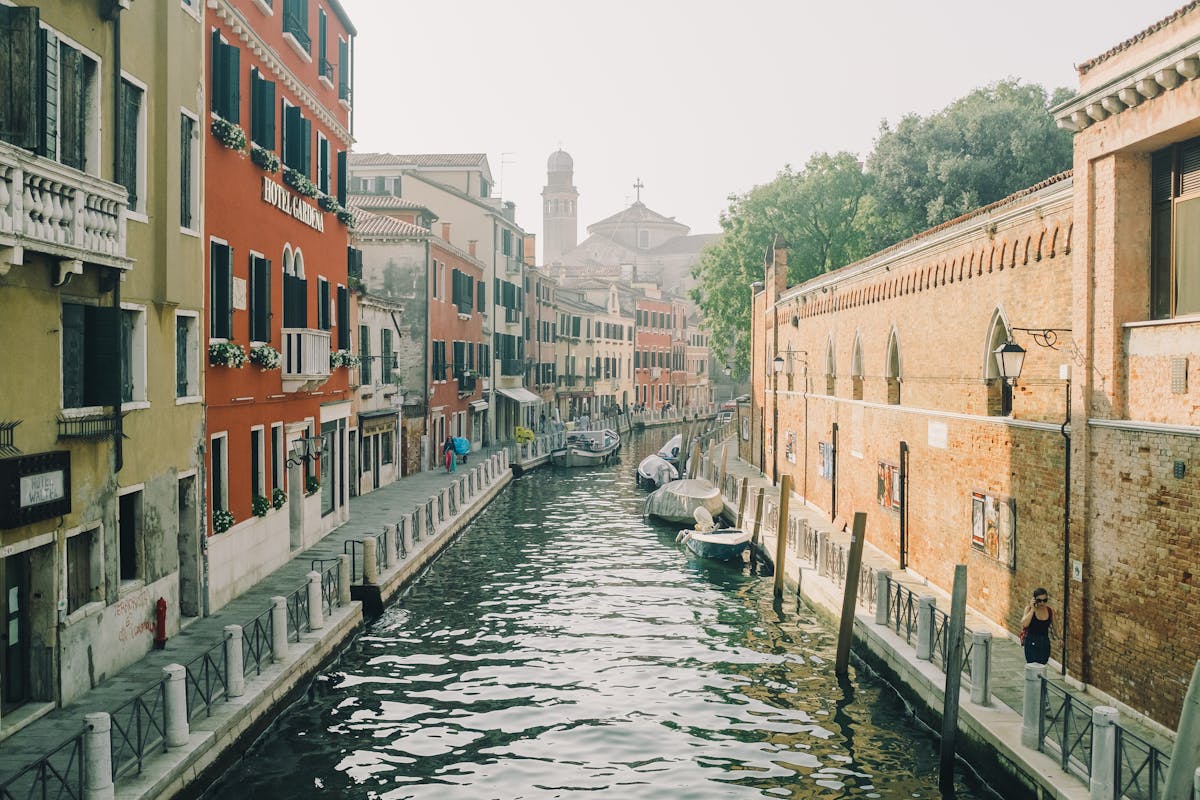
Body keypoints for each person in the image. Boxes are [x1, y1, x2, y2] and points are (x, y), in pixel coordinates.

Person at [1020, 587, 1054, 664]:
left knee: (1042, 665)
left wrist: (1060, 639)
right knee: (1032, 666)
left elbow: (1055, 626)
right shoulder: (1028, 609)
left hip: (1044, 643)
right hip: (1031, 642)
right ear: (1034, 600)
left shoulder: (1049, 611)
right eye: (1039, 600)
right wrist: (1032, 609)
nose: (1042, 603)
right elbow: (1024, 624)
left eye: (1044, 600)